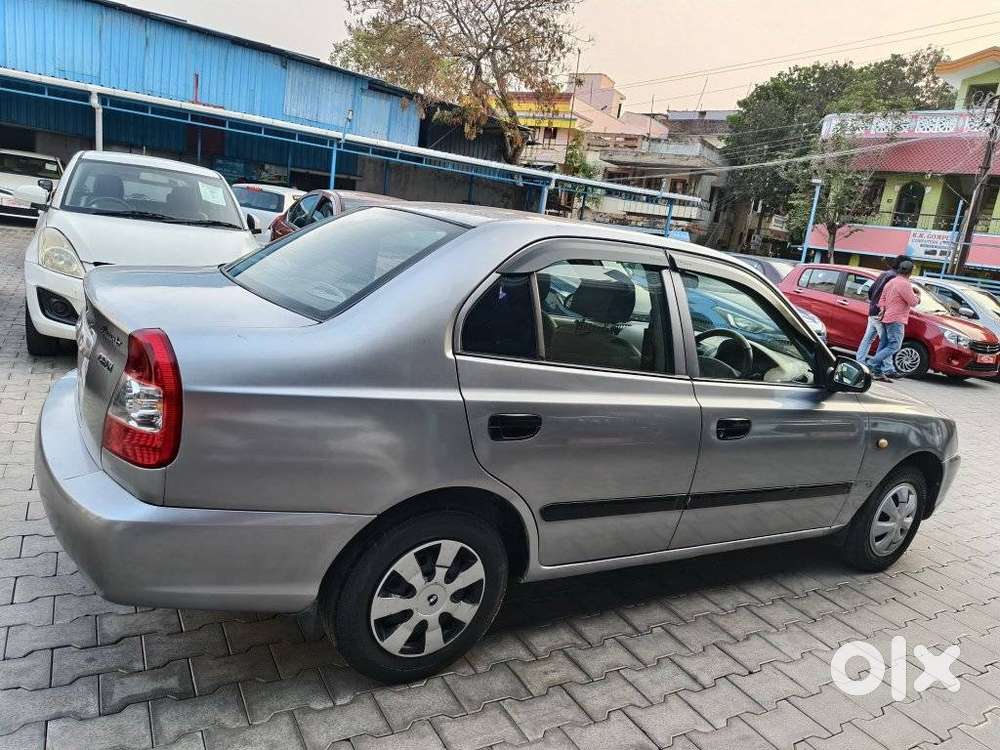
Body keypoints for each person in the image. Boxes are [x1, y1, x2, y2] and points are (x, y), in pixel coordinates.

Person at [868, 260, 920, 382]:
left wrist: (883, 309)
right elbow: (913, 302)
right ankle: (871, 363)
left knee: (884, 344)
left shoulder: (891, 282)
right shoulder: (905, 284)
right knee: (894, 345)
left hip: (886, 317)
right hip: (897, 319)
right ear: (910, 272)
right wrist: (917, 295)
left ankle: (876, 370)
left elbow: (881, 300)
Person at [857, 255, 909, 363]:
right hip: (882, 312)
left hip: (873, 310)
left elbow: (871, 290)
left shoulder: (885, 274)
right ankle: (885, 368)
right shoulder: (895, 278)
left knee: (868, 339)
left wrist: (874, 303)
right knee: (887, 343)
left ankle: (860, 361)